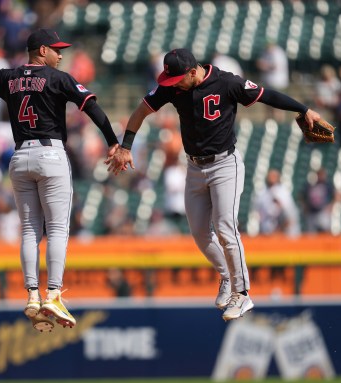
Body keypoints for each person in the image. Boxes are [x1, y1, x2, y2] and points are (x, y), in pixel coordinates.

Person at [107, 48, 322, 322]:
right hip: (195, 167)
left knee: (224, 226)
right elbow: (139, 112)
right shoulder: (173, 87)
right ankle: (225, 276)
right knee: (198, 232)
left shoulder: (227, 82)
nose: (173, 85)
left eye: (177, 79)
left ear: (193, 71)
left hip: (224, 165)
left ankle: (242, 293)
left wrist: (303, 109)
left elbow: (267, 94)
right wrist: (126, 147)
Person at [0, 28, 120, 332]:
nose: (61, 54)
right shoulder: (58, 78)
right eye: (56, 49)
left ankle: (32, 295)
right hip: (51, 154)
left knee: (30, 231)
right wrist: (112, 141)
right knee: (56, 228)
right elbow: (91, 107)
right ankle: (53, 294)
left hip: (19, 158)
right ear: (41, 51)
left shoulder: (9, 77)